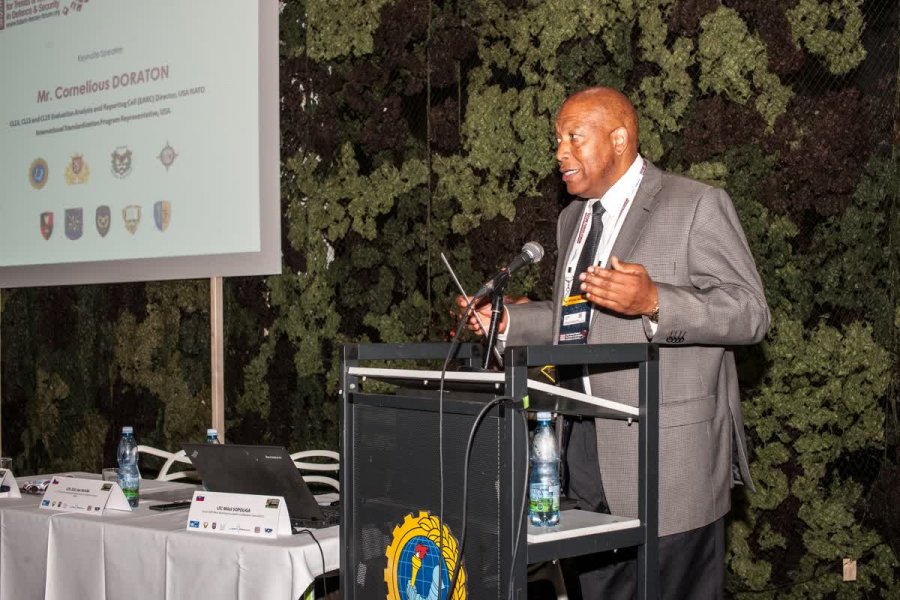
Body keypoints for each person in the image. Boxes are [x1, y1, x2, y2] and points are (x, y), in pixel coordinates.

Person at [456, 87, 769, 598]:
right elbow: (576, 318)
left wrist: (655, 301)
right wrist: (508, 321)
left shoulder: (696, 204)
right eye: (558, 140)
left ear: (619, 139)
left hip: (667, 463)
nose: (560, 152)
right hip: (581, 451)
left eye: (573, 137)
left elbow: (750, 311)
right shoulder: (572, 219)